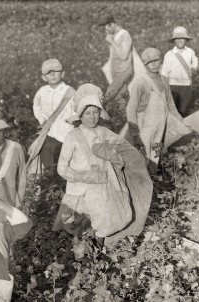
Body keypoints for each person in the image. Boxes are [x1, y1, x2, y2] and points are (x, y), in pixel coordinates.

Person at [55, 89, 152, 246]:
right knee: (80, 228)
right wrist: (87, 176)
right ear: (80, 115)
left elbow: (124, 157)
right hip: (80, 191)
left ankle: (101, 257)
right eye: (88, 113)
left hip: (104, 190)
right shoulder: (72, 137)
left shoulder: (105, 133)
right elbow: (62, 168)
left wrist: (112, 156)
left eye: (95, 112)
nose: (92, 117)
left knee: (103, 225)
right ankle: (83, 262)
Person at [126, 47, 185, 174]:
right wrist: (135, 135)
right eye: (149, 62)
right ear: (145, 64)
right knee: (141, 162)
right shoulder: (141, 83)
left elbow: (171, 105)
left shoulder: (164, 80)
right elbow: (131, 109)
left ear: (160, 61)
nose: (153, 64)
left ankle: (154, 188)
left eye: (156, 60)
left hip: (160, 128)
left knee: (154, 161)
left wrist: (182, 122)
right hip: (144, 129)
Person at [28, 59, 75, 177]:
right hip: (47, 134)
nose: (52, 75)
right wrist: (41, 120)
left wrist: (72, 121)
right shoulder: (42, 92)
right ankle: (51, 188)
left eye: (56, 71)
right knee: (48, 165)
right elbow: (36, 105)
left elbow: (77, 109)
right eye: (49, 73)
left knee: (65, 165)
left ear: (63, 73)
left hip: (65, 134)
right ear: (44, 77)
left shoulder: (70, 92)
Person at [98, 13, 134, 111]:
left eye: (107, 29)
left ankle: (101, 113)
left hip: (123, 71)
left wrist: (112, 42)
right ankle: (125, 119)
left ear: (112, 24)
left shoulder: (124, 34)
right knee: (120, 98)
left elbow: (124, 55)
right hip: (116, 72)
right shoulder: (115, 35)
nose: (106, 32)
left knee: (109, 95)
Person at [161, 26, 199, 117]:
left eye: (182, 38)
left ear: (186, 40)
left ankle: (183, 127)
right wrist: (164, 86)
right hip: (173, 85)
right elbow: (164, 72)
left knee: (184, 109)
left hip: (186, 84)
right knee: (173, 109)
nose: (179, 41)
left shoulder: (190, 52)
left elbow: (195, 60)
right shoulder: (169, 54)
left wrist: (194, 68)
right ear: (174, 41)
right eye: (177, 39)